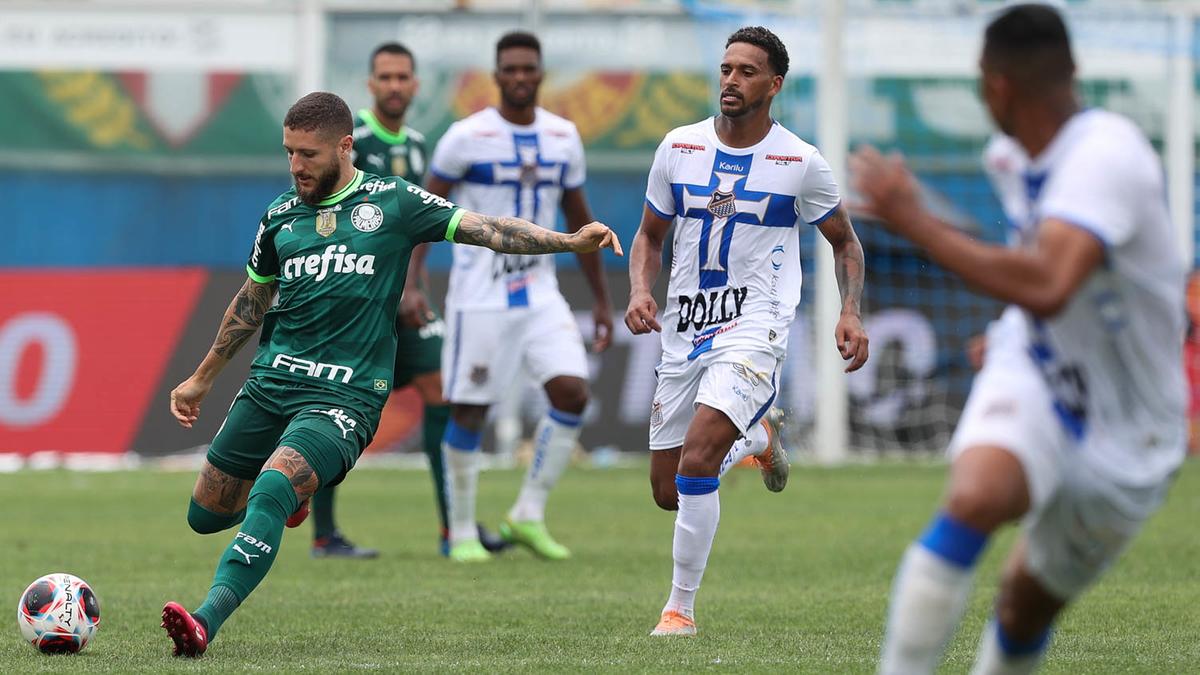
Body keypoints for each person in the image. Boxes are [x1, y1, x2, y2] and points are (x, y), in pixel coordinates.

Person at [160, 91, 621, 657]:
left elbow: (485, 227)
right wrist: (202, 377)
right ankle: (292, 499)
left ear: (345, 146)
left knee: (274, 486)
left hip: (345, 395)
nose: (296, 166)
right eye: (289, 153)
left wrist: (568, 242)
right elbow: (251, 302)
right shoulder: (279, 216)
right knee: (204, 516)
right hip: (270, 384)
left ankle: (205, 620)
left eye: (308, 154)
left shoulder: (394, 202)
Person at [850, 5, 1187, 673]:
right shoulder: (1009, 157)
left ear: (996, 85)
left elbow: (1051, 280)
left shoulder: (1106, 155)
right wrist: (1013, 329)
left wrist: (913, 221)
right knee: (976, 496)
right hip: (1039, 368)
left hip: (1133, 432)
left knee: (1023, 604)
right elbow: (1041, 283)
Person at [625, 26, 869, 637]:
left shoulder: (800, 162)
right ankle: (759, 439)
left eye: (746, 71)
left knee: (699, 461)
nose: (731, 80)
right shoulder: (678, 147)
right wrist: (639, 291)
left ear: (774, 84)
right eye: (726, 68)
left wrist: (850, 311)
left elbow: (845, 242)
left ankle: (678, 609)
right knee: (667, 490)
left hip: (753, 328)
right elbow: (650, 235)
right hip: (685, 330)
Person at [303, 42, 503, 559]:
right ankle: (324, 535)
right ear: (371, 84)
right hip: (352, 303)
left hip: (400, 298)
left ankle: (453, 527)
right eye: (385, 77)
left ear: (415, 86)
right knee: (332, 407)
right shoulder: (352, 141)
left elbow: (417, 225)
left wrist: (414, 285)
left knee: (442, 390)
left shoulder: (416, 146)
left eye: (402, 77)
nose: (394, 86)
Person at [421, 30, 615, 563]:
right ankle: (460, 531)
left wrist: (600, 299)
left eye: (529, 68)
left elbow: (580, 221)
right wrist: (413, 284)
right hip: (479, 296)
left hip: (540, 293)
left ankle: (527, 513)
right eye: (510, 68)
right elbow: (423, 213)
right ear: (497, 74)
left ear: (541, 73)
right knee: (469, 412)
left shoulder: (563, 137)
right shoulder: (465, 137)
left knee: (573, 394)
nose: (520, 77)